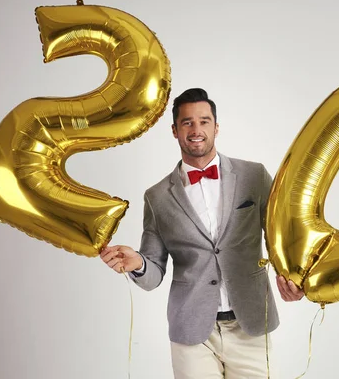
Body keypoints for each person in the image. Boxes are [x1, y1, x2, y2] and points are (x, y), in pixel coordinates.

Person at [100, 88, 303, 378]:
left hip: (251, 325)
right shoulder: (157, 197)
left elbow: (281, 236)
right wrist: (139, 263)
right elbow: (154, 271)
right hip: (191, 332)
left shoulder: (254, 176)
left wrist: (295, 278)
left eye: (204, 121)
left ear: (216, 127)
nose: (197, 130)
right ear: (174, 130)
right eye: (187, 122)